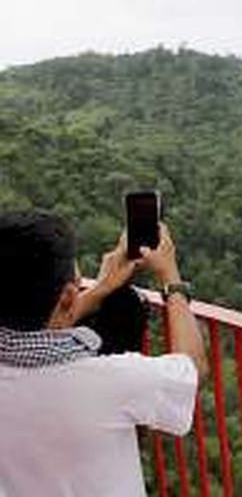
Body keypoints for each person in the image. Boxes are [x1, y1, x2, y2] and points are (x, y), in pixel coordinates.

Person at [0, 209, 209, 497]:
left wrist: (100, 289)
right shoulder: (111, 380)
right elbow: (193, 368)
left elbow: (32, 336)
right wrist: (171, 280)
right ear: (68, 296)